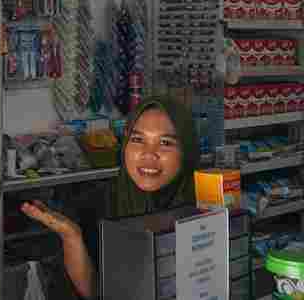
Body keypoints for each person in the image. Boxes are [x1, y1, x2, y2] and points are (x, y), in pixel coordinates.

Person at [20, 96, 199, 299]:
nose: (148, 154)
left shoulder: (207, 208)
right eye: (138, 140)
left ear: (186, 150)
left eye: (165, 142)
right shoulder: (93, 208)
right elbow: (96, 294)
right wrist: (72, 238)